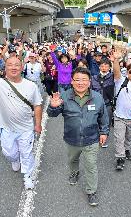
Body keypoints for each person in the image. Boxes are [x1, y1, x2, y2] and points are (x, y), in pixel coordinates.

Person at [0, 42, 43, 190]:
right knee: (9, 154)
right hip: (6, 128)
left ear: (22, 67)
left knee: (26, 153)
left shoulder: (31, 86)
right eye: (10, 65)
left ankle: (27, 176)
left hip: (26, 128)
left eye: (17, 65)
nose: (13, 67)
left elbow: (37, 105)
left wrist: (38, 124)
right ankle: (14, 159)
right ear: (5, 68)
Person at [47, 67, 109, 206]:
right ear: (72, 81)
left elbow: (104, 117)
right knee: (72, 160)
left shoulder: (97, 97)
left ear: (89, 82)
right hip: (72, 138)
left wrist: (104, 132)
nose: (80, 83)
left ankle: (91, 191)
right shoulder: (64, 96)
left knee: (91, 165)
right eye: (77, 80)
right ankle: (74, 173)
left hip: (91, 139)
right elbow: (52, 114)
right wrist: (53, 106)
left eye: (84, 80)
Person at [91, 58, 115, 148]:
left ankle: (104, 139)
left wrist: (115, 60)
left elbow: (117, 74)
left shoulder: (112, 77)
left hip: (107, 103)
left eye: (106, 65)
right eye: (102, 65)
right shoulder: (94, 78)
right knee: (95, 121)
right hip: (95, 103)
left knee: (106, 122)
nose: (104, 67)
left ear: (109, 67)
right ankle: (96, 138)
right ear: (99, 67)